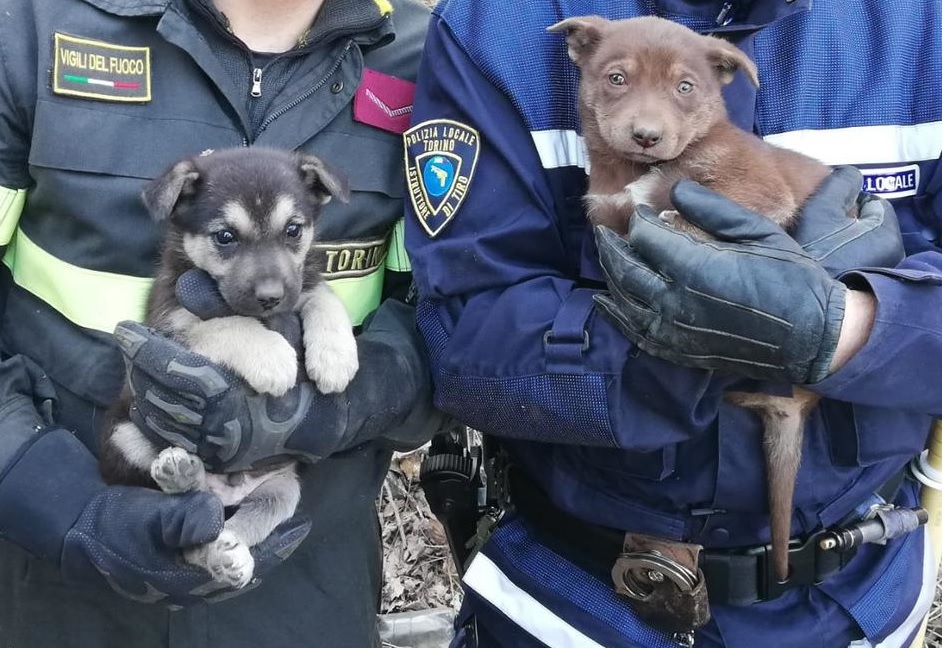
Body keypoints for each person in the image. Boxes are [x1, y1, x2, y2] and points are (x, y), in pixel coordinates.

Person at [404, 1, 942, 646]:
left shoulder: (922, 27)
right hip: (573, 599)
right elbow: (463, 341)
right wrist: (691, 346)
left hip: (857, 592)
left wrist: (856, 327)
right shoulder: (497, 28)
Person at [0, 0, 445, 646]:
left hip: (308, 583)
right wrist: (63, 506)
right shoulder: (33, 24)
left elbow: (456, 328)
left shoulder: (426, 56)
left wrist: (353, 403)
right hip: (57, 587)